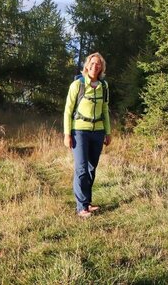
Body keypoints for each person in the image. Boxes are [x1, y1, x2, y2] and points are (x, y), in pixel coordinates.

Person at [63, 52, 112, 218]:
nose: (95, 66)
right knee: (82, 168)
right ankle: (81, 207)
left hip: (98, 132)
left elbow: (105, 109)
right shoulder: (77, 85)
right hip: (79, 131)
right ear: (87, 66)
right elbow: (68, 111)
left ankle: (87, 203)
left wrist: (108, 132)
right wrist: (67, 134)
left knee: (91, 168)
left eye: (98, 64)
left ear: (101, 67)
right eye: (92, 63)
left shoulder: (104, 86)